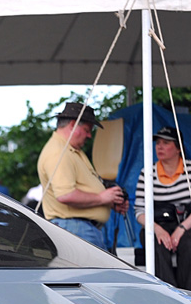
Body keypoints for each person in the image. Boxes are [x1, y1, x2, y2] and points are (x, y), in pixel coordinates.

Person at [36, 102, 127, 248]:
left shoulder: (70, 149)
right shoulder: (58, 152)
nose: (89, 136)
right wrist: (101, 197)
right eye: (87, 130)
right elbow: (65, 195)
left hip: (79, 228)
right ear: (73, 124)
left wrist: (108, 201)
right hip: (75, 228)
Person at [134, 126, 191, 291]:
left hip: (187, 223)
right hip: (157, 224)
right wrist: (157, 230)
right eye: (158, 143)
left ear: (178, 148)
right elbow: (139, 211)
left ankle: (188, 294)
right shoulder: (147, 172)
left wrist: (181, 229)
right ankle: (169, 295)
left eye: (166, 143)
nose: (159, 147)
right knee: (155, 243)